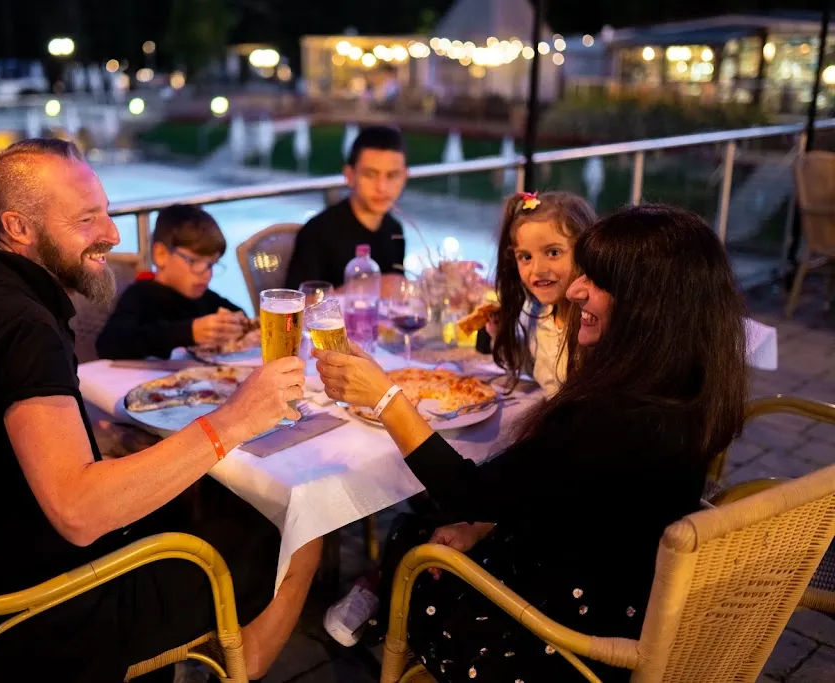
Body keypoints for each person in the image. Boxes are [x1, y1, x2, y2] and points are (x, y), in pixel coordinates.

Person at [0, 139, 321, 683]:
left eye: (106, 212)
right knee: (294, 535)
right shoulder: (23, 327)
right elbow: (79, 512)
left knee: (219, 505)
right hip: (39, 617)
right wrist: (236, 419)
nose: (112, 233)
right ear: (18, 227)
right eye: (87, 219)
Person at [313, 204, 748, 682]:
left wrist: (387, 399)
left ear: (652, 303)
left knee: (414, 542)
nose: (576, 290)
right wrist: (482, 526)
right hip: (629, 598)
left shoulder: (608, 417)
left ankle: (368, 614)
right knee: (433, 530)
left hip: (562, 644)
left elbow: (464, 493)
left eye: (598, 281)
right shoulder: (690, 387)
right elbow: (574, 492)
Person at [476, 191, 596, 395]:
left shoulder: (596, 325)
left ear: (585, 250)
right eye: (525, 257)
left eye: (553, 252)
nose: (538, 269)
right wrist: (499, 334)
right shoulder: (538, 312)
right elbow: (533, 367)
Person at [96, 204, 250, 360]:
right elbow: (110, 344)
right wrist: (189, 332)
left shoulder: (204, 298)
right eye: (195, 262)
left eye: (211, 264)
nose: (207, 274)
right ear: (161, 254)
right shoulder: (141, 295)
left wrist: (236, 326)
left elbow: (241, 314)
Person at [284, 125, 408, 292]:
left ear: (405, 177)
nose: (381, 187)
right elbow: (296, 302)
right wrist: (368, 287)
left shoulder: (395, 231)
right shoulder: (318, 232)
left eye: (392, 175)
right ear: (350, 175)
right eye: (370, 174)